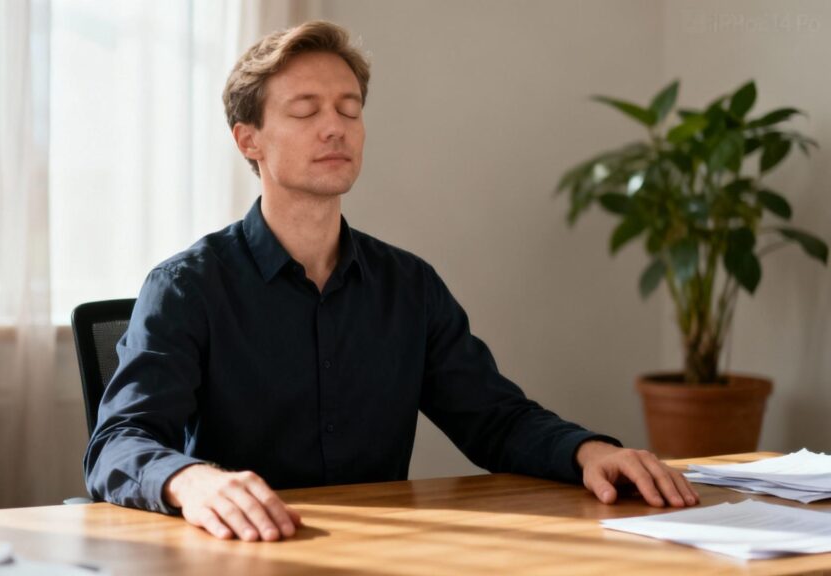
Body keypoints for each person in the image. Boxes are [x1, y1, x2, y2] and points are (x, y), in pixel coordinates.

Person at [84, 20, 698, 543]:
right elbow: (117, 442)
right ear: (250, 140)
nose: (336, 127)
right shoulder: (188, 287)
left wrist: (589, 450)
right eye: (306, 110)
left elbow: (494, 417)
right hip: (247, 554)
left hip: (383, 552)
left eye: (349, 109)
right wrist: (190, 480)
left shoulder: (408, 286)